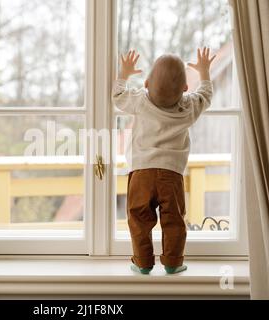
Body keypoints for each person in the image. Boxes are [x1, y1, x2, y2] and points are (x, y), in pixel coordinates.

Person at [112, 48, 216, 274]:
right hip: (172, 174)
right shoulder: (188, 106)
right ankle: (172, 261)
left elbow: (118, 96)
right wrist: (205, 72)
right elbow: (206, 96)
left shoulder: (140, 100)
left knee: (139, 219)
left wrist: (124, 73)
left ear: (147, 83)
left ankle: (142, 263)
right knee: (174, 221)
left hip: (141, 174)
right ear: (185, 88)